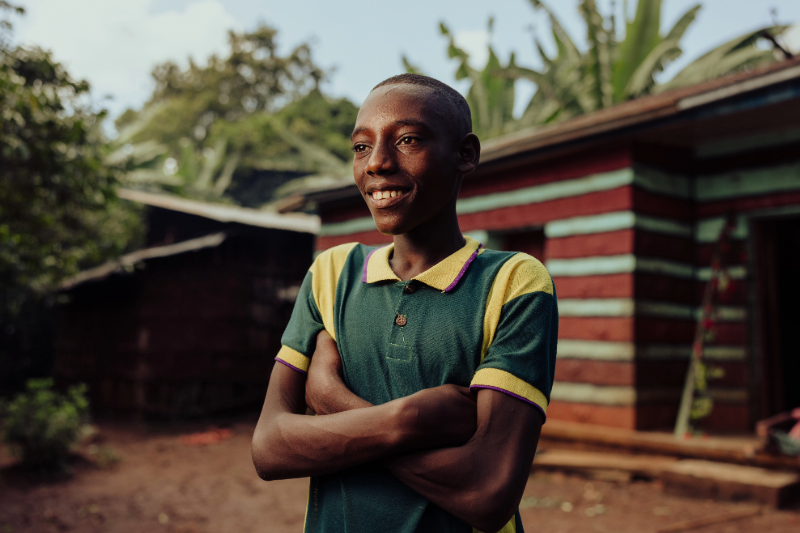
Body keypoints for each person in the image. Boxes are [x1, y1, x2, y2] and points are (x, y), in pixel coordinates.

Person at [252, 73, 558, 533]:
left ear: (465, 154)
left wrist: (332, 402)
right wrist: (408, 419)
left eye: (408, 139)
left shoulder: (513, 282)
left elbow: (486, 492)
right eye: (361, 146)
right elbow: (270, 447)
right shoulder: (332, 274)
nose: (377, 163)